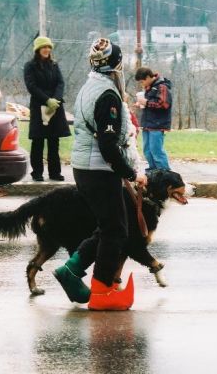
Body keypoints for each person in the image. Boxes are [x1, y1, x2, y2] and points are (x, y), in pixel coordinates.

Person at [53, 38, 147, 310]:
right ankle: (102, 290)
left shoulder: (89, 86)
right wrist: (129, 173)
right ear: (116, 64)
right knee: (116, 230)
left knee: (109, 227)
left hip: (85, 166)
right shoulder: (108, 95)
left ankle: (71, 269)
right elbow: (108, 144)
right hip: (98, 169)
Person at [23, 36, 71, 182]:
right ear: (38, 49)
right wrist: (46, 100)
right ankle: (37, 172)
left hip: (55, 107)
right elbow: (31, 86)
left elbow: (60, 83)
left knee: (53, 140)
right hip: (39, 106)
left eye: (49, 47)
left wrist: (55, 100)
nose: (47, 50)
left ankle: (55, 173)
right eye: (44, 47)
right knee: (38, 141)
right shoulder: (30, 66)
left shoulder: (54, 65)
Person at [134, 66, 173, 171]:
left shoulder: (162, 87)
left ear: (147, 77)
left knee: (156, 151)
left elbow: (164, 104)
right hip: (148, 124)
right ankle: (154, 172)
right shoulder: (149, 87)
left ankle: (164, 173)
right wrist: (142, 104)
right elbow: (151, 103)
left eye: (142, 82)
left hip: (157, 124)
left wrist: (146, 102)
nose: (142, 84)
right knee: (147, 150)